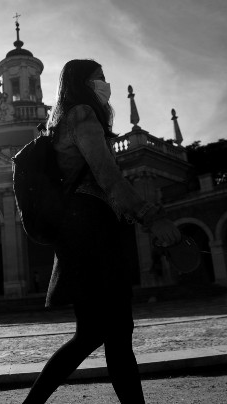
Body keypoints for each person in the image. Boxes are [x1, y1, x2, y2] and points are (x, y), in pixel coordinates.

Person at [22, 59, 181, 404]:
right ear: (83, 82)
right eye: (100, 79)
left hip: (77, 231)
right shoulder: (81, 115)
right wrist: (152, 217)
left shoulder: (59, 122)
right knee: (116, 333)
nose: (105, 85)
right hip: (93, 230)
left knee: (92, 333)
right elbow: (109, 179)